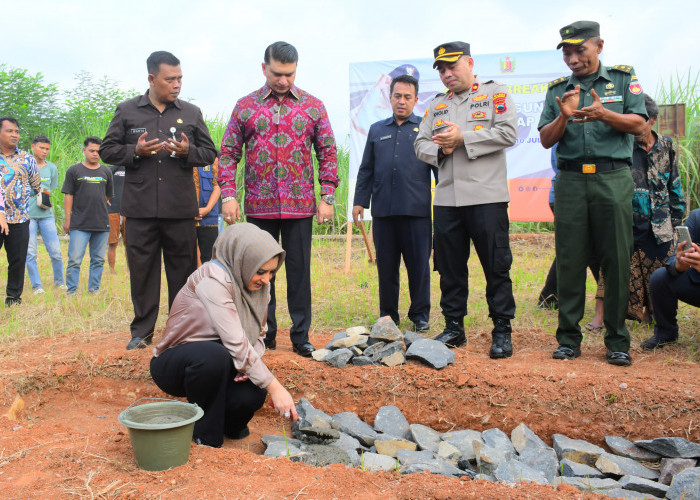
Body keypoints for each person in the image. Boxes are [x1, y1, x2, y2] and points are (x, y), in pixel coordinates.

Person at [218, 41, 339, 357]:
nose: (284, 81)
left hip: (301, 208)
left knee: (300, 273)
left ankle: (300, 337)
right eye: (277, 74)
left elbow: (327, 152)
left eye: (290, 74)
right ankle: (263, 335)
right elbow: (229, 152)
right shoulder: (245, 106)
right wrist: (228, 194)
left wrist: (327, 196)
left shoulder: (313, 106)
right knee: (259, 275)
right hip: (259, 206)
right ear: (264, 68)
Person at [538, 21, 647, 366]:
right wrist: (565, 117)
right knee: (569, 259)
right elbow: (545, 139)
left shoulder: (623, 79)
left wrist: (605, 114)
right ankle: (568, 339)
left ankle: (617, 340)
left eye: (579, 50)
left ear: (599, 45)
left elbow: (639, 124)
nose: (572, 59)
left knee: (615, 259)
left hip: (612, 179)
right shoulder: (558, 90)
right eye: (567, 53)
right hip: (570, 182)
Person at [100, 51, 218, 350]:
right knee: (143, 272)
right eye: (170, 79)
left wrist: (186, 153)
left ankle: (181, 331)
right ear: (152, 79)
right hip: (139, 209)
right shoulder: (127, 111)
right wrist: (134, 152)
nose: (176, 84)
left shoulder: (191, 113)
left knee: (183, 272)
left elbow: (209, 152)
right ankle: (142, 332)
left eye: (179, 78)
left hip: (179, 209)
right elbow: (107, 150)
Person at [150, 223, 299, 448]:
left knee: (253, 392)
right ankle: (205, 435)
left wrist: (247, 369)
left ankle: (230, 425)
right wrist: (276, 387)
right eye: (260, 271)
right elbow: (236, 342)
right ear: (242, 261)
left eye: (271, 272)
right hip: (177, 362)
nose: (267, 279)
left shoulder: (261, 287)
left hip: (223, 360)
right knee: (215, 356)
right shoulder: (212, 279)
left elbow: (259, 336)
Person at [414, 41, 518, 359]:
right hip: (447, 199)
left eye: (452, 66)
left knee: (496, 266)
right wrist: (441, 149)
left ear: (470, 63)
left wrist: (463, 138)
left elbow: (508, 132)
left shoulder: (494, 94)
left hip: (486, 197)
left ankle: (501, 330)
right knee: (449, 269)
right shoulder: (437, 105)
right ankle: (454, 327)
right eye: (441, 70)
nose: (447, 74)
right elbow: (420, 144)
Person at [590, 94, 686, 330]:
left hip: (659, 219)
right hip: (626, 218)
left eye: (639, 121)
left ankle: (655, 315)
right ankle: (599, 318)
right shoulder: (622, 145)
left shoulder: (667, 145)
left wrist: (676, 217)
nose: (634, 127)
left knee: (659, 268)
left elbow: (674, 182)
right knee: (612, 268)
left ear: (652, 119)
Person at [353, 74, 435, 332]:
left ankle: (420, 315)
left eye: (407, 97)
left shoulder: (425, 128)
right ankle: (388, 315)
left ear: (416, 100)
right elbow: (366, 168)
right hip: (384, 213)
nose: (402, 101)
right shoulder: (377, 130)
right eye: (397, 96)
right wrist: (359, 202)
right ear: (389, 98)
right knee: (386, 268)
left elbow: (438, 169)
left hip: (416, 212)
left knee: (418, 267)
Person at [61, 137, 113, 295]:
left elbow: (107, 196)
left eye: (98, 151)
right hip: (79, 223)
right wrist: (68, 220)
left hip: (101, 223)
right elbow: (68, 196)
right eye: (92, 150)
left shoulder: (106, 171)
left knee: (98, 260)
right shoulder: (74, 170)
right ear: (84, 151)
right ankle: (71, 292)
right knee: (75, 260)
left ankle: (93, 290)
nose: (95, 154)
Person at [644, 209, 700, 349]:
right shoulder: (697, 217)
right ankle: (666, 332)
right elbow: (674, 262)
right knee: (661, 277)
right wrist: (681, 263)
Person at [0, 117, 41, 306]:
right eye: (9, 131)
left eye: (16, 131)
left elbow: (36, 185)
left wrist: (20, 197)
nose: (14, 134)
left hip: (19, 218)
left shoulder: (27, 158)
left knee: (17, 260)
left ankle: (13, 298)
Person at [25, 135, 66, 293]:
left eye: (47, 149)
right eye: (41, 148)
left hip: (46, 214)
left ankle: (59, 282)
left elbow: (52, 189)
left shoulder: (52, 168)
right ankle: (36, 286)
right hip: (28, 216)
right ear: (33, 147)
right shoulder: (25, 166)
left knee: (55, 251)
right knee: (30, 252)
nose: (45, 151)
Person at [194, 157, 221, 264]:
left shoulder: (212, 159)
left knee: (210, 259)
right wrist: (189, 211)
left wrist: (208, 208)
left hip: (209, 217)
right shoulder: (179, 156)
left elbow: (217, 186)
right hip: (185, 217)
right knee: (186, 259)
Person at [107, 164, 126, 274]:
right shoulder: (109, 169)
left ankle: (131, 269)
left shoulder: (133, 168)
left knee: (130, 243)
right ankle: (112, 270)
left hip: (130, 211)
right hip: (112, 210)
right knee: (113, 243)